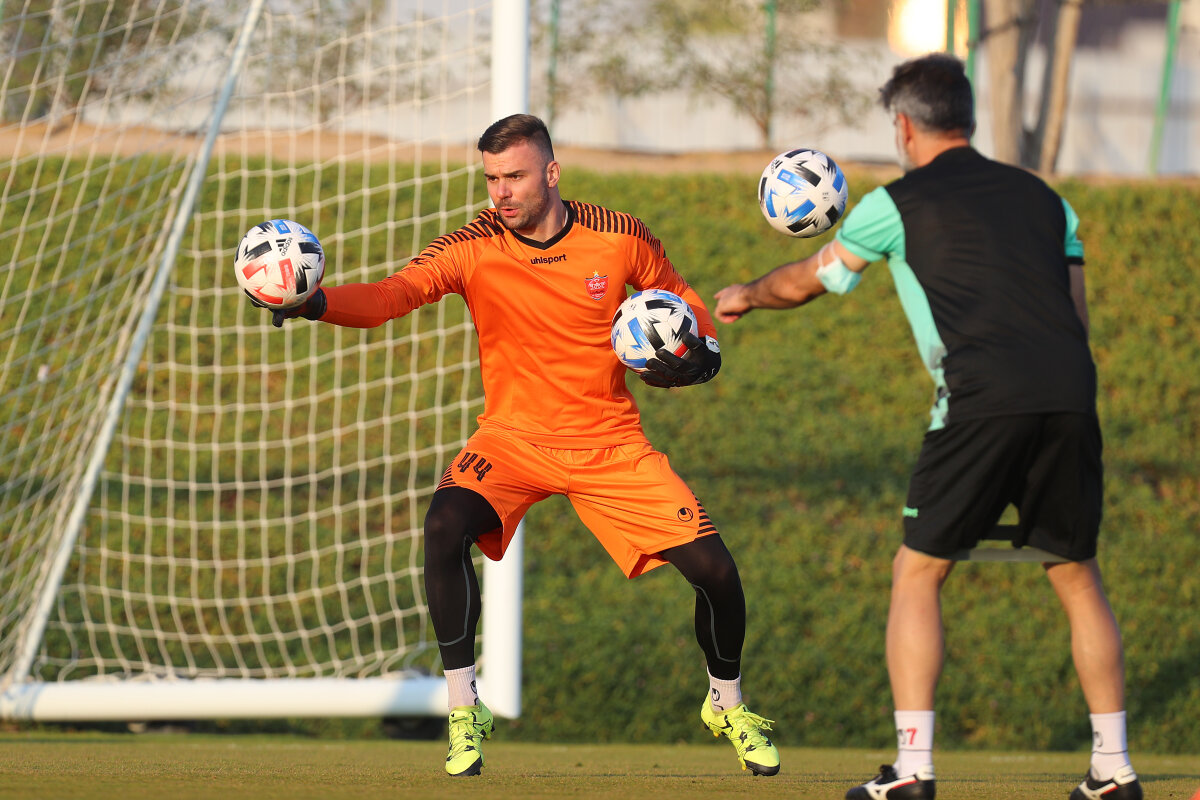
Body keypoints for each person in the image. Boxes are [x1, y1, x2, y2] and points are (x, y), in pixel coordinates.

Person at [253, 113, 779, 778]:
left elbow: (679, 298)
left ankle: (727, 703)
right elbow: (391, 296)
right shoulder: (472, 245)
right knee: (444, 524)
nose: (501, 192)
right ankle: (463, 708)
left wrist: (703, 352)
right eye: (492, 179)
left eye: (515, 177)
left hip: (609, 443)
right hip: (512, 440)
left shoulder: (619, 235)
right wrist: (315, 303)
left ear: (551, 173)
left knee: (718, 574)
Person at [713, 54, 1139, 800]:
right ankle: (1113, 769)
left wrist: (745, 294)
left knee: (918, 572)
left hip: (979, 397)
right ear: (966, 119)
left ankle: (913, 768)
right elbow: (1075, 318)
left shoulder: (895, 204)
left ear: (905, 126)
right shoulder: (1048, 202)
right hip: (1070, 393)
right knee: (1076, 574)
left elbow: (810, 280)